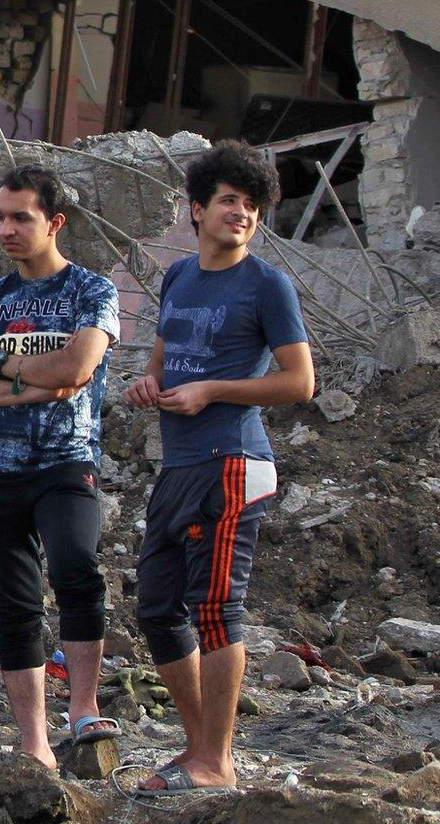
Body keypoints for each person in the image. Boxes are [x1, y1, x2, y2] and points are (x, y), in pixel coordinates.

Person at [124, 139, 312, 796]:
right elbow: (160, 359)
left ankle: (214, 759)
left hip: (234, 460)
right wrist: (149, 388)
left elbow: (300, 382)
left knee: (215, 610)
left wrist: (214, 390)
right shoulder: (178, 278)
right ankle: (202, 749)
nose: (242, 213)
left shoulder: (266, 284)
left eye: (252, 205)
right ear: (197, 209)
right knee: (154, 607)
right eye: (229, 200)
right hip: (180, 465)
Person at [0, 164, 121, 770]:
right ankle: (35, 743)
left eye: (21, 217)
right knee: (14, 604)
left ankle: (83, 707)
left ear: (55, 222)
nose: (7, 229)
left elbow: (79, 369)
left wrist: (1, 370)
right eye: (0, 217)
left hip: (65, 462)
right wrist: (34, 383)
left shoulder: (92, 292)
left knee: (76, 565)